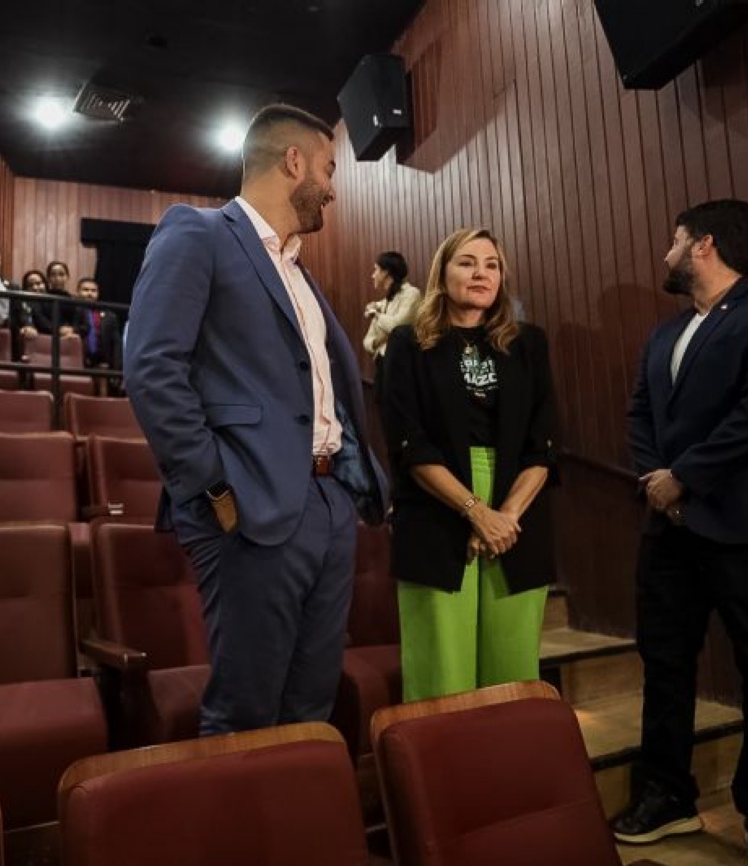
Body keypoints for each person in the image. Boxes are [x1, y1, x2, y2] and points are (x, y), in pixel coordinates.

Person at [125, 103, 387, 736]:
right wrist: (214, 487)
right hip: (246, 504)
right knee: (246, 708)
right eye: (328, 168)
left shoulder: (299, 272)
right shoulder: (198, 232)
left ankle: (294, 834)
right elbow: (152, 367)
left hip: (327, 502)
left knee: (310, 705)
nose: (332, 187)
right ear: (292, 162)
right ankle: (237, 837)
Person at [612, 199, 748, 866]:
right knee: (665, 666)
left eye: (673, 241)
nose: (666, 254)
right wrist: (655, 481)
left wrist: (687, 478)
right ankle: (668, 795)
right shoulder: (662, 335)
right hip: (670, 532)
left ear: (702, 245)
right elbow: (641, 413)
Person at [381, 227, 557, 703]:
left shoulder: (529, 344)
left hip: (517, 506)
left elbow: (542, 447)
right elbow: (409, 444)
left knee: (513, 672)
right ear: (443, 272)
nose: (480, 273)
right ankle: (439, 774)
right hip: (438, 504)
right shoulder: (407, 344)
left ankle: (504, 774)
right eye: (467, 262)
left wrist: (503, 517)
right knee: (443, 671)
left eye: (492, 264)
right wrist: (477, 512)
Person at [361, 251, 420, 405]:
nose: (372, 275)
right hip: (382, 365)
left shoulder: (411, 294)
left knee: (399, 416)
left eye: (376, 270)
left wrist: (376, 314)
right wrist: (376, 342)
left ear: (386, 272)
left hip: (402, 367)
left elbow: (397, 327)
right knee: (383, 412)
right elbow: (367, 341)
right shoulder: (385, 301)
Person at [72, 276, 121, 394]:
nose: (90, 294)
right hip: (77, 361)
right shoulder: (70, 309)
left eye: (93, 291)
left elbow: (116, 345)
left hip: (101, 362)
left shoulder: (110, 316)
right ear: (77, 292)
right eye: (85, 290)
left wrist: (116, 370)